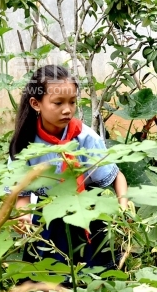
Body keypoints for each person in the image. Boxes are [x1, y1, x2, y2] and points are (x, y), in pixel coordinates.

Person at [10, 65, 128, 271]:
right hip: (48, 219)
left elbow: (117, 177)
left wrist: (124, 207)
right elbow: (22, 194)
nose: (67, 110)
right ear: (36, 104)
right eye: (58, 103)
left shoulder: (85, 137)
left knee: (93, 278)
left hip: (88, 216)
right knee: (48, 283)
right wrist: (23, 216)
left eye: (72, 102)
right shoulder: (24, 143)